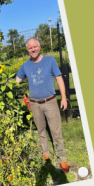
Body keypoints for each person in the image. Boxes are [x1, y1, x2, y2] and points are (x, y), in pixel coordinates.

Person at [15, 38, 69, 174]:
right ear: (27, 50)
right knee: (41, 131)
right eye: (30, 48)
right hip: (34, 104)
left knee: (56, 131)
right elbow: (16, 82)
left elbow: (59, 78)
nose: (33, 50)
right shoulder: (25, 66)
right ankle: (46, 154)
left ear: (39, 47)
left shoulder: (50, 61)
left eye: (35, 47)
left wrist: (64, 98)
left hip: (50, 101)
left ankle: (62, 158)